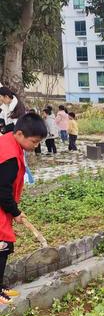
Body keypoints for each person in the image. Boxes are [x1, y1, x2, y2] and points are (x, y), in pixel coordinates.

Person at [0, 113, 47, 304]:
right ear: (19, 134)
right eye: (34, 142)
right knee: (2, 247)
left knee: (4, 246)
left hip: (4, 207)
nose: (35, 146)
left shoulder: (9, 141)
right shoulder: (9, 156)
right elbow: (2, 191)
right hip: (2, 206)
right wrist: (16, 212)